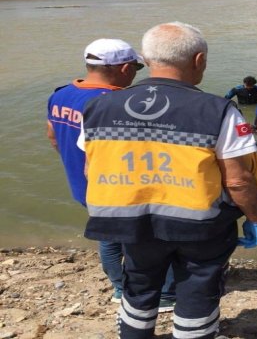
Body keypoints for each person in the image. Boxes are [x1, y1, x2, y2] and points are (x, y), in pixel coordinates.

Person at [79, 22, 257, 339]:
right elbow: (238, 180)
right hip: (199, 227)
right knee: (197, 290)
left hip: (132, 222)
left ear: (148, 60)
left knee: (138, 286)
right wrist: (254, 219)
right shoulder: (218, 110)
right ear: (199, 60)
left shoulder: (99, 107)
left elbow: (90, 170)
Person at [46, 38, 176, 310]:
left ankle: (119, 287)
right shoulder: (120, 102)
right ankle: (162, 294)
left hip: (83, 185)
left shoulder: (59, 95)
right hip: (119, 187)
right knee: (150, 239)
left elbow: (53, 137)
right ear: (126, 68)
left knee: (108, 236)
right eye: (137, 69)